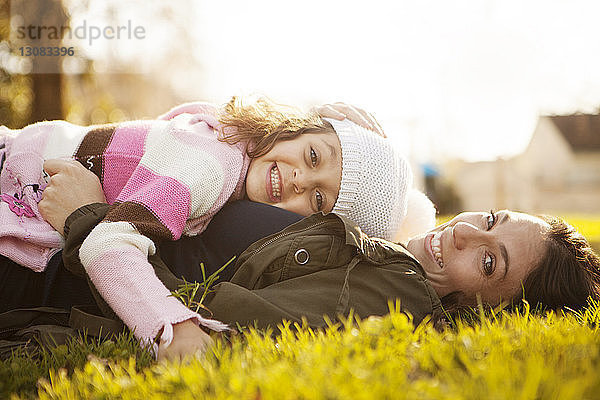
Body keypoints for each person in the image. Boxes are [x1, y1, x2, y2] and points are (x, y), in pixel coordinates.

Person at [28, 153, 600, 361]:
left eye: (490, 262)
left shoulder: (395, 294)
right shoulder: (392, 249)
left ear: (492, 311)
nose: (465, 235)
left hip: (52, 271)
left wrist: (88, 220)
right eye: (491, 221)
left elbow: (199, 317)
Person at [0, 99, 434, 358]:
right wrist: (171, 328)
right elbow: (109, 245)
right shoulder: (210, 162)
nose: (301, 179)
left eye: (318, 199)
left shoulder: (231, 132)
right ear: (300, 129)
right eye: (314, 156)